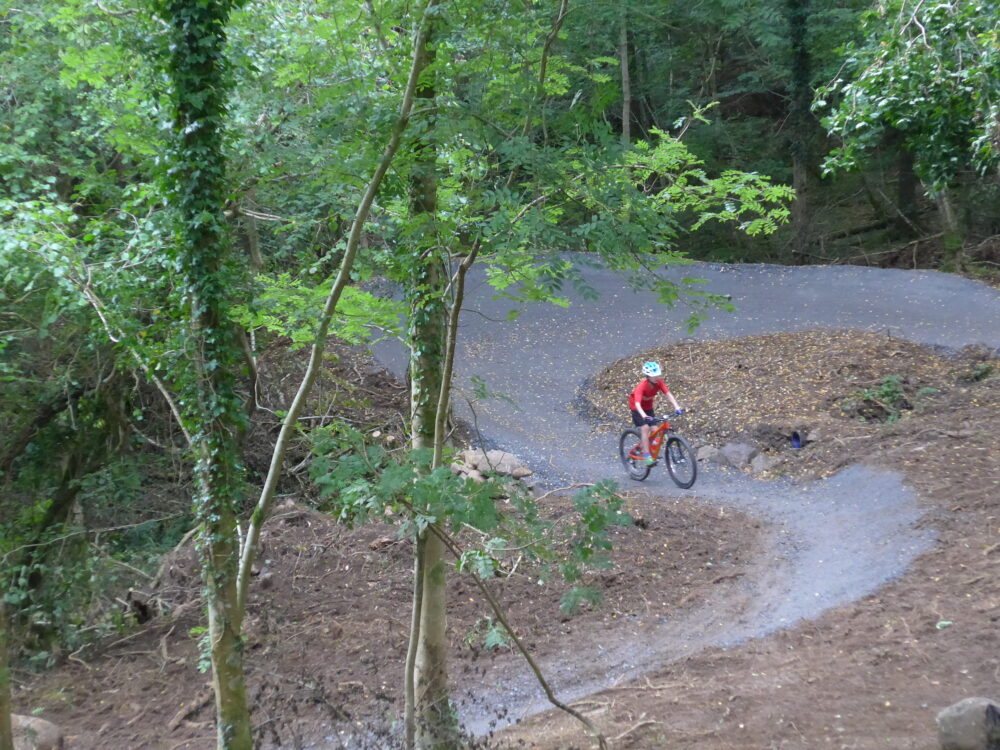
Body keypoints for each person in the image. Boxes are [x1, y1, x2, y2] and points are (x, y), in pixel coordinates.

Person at [629, 360, 683, 465]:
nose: (656, 377)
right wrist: (644, 416)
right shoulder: (642, 387)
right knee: (645, 428)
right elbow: (637, 404)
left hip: (648, 407)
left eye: (657, 375)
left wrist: (677, 407)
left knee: (655, 429)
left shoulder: (659, 382)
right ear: (648, 376)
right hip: (637, 408)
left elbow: (668, 394)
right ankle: (646, 455)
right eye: (653, 376)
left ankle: (645, 446)